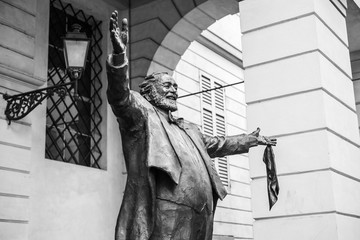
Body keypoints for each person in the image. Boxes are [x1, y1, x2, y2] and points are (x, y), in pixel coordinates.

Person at [107, 10, 277, 240]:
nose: (173, 90)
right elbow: (119, 97)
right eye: (167, 86)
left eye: (175, 87)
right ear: (149, 92)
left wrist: (251, 139)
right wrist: (119, 56)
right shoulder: (142, 115)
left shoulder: (190, 129)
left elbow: (219, 144)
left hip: (199, 215)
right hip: (165, 214)